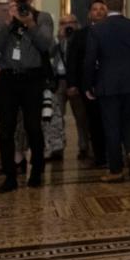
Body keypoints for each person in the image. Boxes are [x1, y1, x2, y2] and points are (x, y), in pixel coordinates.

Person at [0, 0, 54, 193]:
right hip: (9, 79)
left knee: (33, 127)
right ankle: (10, 176)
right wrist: (11, 22)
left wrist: (30, 23)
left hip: (32, 79)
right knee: (6, 130)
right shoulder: (4, 19)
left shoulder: (42, 17)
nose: (22, 0)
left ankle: (36, 171)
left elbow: (47, 45)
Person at [84, 0, 130, 183]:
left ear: (105, 6)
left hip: (107, 85)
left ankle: (116, 170)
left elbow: (90, 60)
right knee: (129, 122)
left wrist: (88, 85)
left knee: (111, 126)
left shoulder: (97, 29)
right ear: (123, 5)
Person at [67, 0, 107, 165]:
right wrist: (73, 84)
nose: (98, 11)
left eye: (101, 9)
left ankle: (114, 155)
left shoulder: (112, 32)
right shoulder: (80, 35)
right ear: (90, 14)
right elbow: (73, 61)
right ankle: (99, 157)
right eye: (95, 9)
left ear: (107, 12)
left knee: (110, 121)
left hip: (109, 83)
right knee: (94, 122)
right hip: (88, 85)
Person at [44, 13, 79, 161]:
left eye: (70, 23)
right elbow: (49, 54)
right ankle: (57, 148)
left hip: (75, 82)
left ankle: (84, 147)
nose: (68, 26)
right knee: (56, 117)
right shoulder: (58, 40)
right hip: (58, 81)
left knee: (81, 117)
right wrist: (59, 38)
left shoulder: (80, 38)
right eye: (64, 23)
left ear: (76, 24)